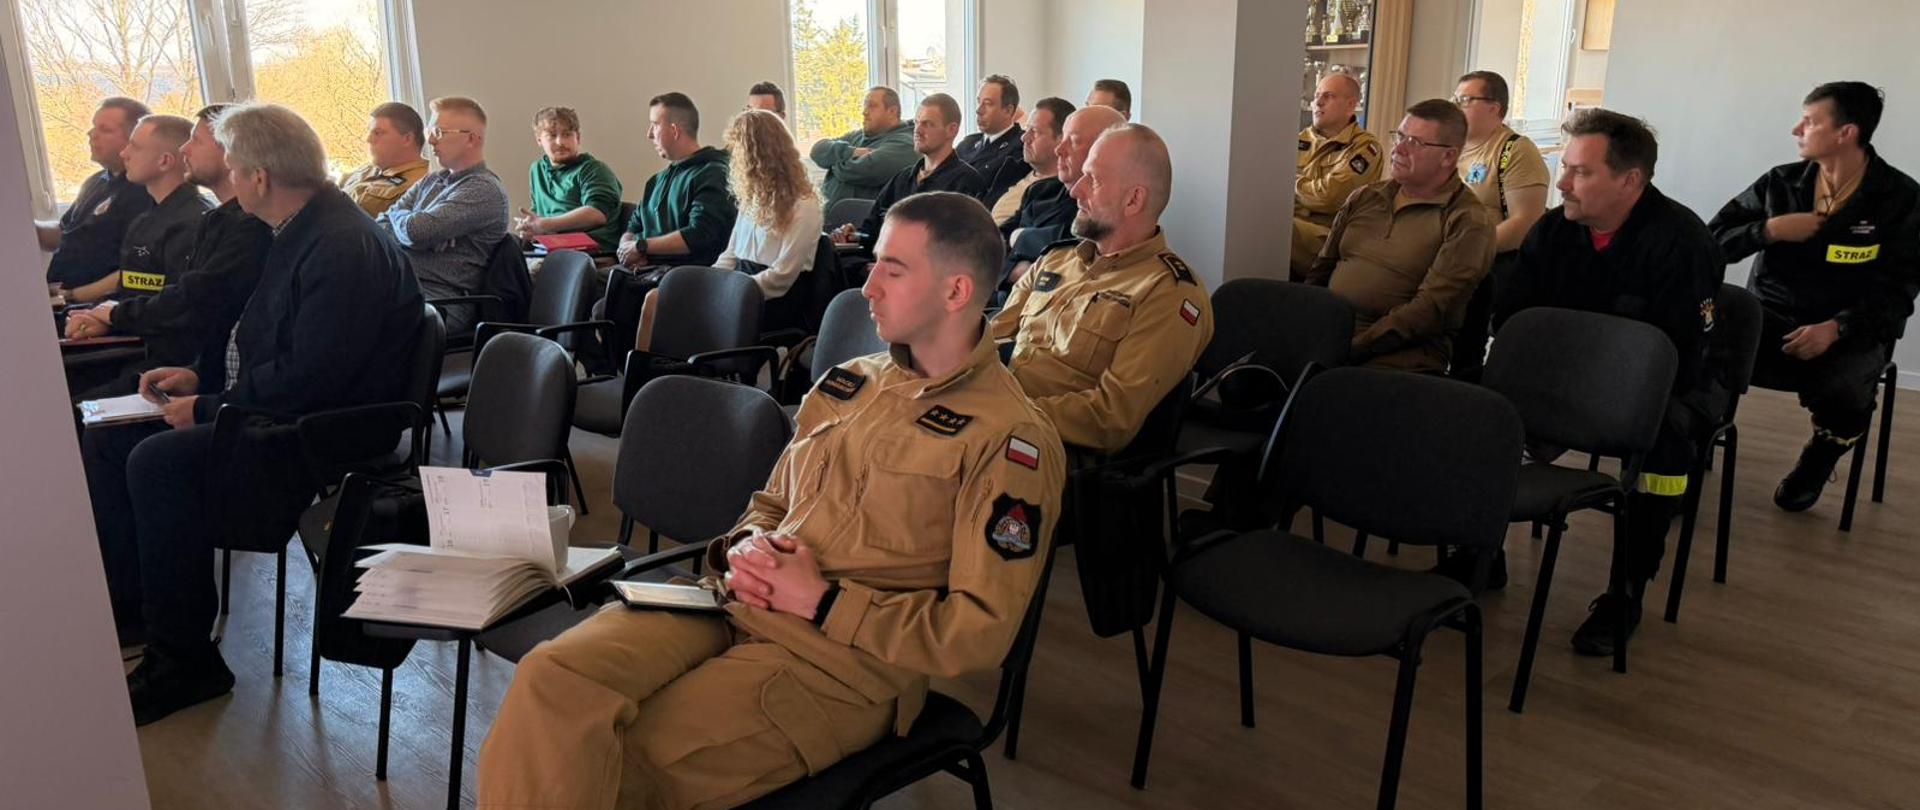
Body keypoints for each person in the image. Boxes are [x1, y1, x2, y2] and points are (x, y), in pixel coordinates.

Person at [475, 191, 1065, 810]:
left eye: (893, 270)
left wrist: (824, 601)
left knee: (626, 764)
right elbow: (773, 501)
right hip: (731, 602)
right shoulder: (852, 383)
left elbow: (977, 635)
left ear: (956, 292)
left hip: (841, 661)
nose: (867, 288)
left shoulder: (1008, 439)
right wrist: (748, 545)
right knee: (551, 680)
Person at [84, 103, 422, 725]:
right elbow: (269, 342)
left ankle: (184, 660)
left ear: (259, 177)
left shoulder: (338, 244)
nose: (230, 179)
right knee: (111, 438)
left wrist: (209, 407)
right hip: (291, 407)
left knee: (157, 462)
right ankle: (140, 612)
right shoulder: (300, 227)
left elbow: (311, 377)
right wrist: (202, 380)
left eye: (235, 168)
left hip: (324, 429)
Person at [1495, 108, 1724, 655]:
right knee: (1479, 407)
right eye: (1565, 168)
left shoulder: (1682, 242)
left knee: (1665, 447)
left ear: (1630, 180)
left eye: (1581, 172)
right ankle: (1478, 551)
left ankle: (1626, 591)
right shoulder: (1555, 230)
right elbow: (1514, 319)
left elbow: (1678, 356)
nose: (1562, 184)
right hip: (1561, 377)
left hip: (1657, 390)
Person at [1709, 81, 1920, 513]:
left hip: (1848, 330)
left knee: (1848, 388)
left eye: (1809, 121)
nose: (1796, 129)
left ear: (1846, 133)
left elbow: (1900, 291)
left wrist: (1837, 328)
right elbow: (1712, 244)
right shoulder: (1781, 183)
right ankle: (1685, 457)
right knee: (1703, 343)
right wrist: (1766, 230)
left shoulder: (1901, 198)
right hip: (1769, 318)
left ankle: (1819, 458)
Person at [992, 123, 1212, 454]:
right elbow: (991, 339)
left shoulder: (1168, 293)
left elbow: (1110, 419)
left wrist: (1001, 413)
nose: (1075, 191)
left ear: (1133, 200)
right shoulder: (1055, 260)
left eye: (1092, 179)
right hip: (995, 417)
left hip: (1050, 449)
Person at [64, 104, 272, 395]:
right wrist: (101, 316)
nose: (185, 149)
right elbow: (139, 290)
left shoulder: (233, 224)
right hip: (162, 350)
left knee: (71, 404)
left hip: (174, 358)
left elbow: (187, 304)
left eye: (196, 140)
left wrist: (112, 315)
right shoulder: (207, 220)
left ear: (230, 152)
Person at [1299, 99, 1495, 373]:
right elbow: (1321, 271)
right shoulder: (1365, 197)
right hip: (1330, 334)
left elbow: (1429, 312)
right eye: (1400, 136)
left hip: (1398, 357)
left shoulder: (1467, 220)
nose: (1398, 149)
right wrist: (1303, 325)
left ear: (1448, 157)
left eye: (1415, 142)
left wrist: (1351, 348)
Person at [638, 109, 824, 347]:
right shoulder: (752, 199)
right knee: (656, 298)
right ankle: (649, 366)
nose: (734, 159)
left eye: (739, 152)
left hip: (772, 297)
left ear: (758, 156)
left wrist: (728, 292)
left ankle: (684, 363)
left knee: (682, 312)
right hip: (741, 282)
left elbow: (781, 277)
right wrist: (709, 281)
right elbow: (731, 253)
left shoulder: (804, 205)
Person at [1448, 70, 1552, 381]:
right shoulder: (1449, 148)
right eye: (1455, 99)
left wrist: (1468, 252)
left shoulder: (1514, 151)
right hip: (1447, 250)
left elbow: (1525, 222)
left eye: (1465, 100)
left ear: (1494, 107)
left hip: (1492, 261)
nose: (1456, 107)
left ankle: (1464, 378)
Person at [376, 96, 510, 333]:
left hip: (440, 302)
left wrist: (412, 227)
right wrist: (416, 231)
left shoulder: (483, 189)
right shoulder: (432, 180)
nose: (430, 140)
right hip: (403, 288)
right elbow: (380, 227)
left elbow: (417, 231)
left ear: (471, 139)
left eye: (439, 132)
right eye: (430, 132)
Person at [62, 114, 210, 305]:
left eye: (135, 147)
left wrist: (109, 316)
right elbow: (129, 289)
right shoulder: (145, 220)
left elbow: (175, 303)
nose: (124, 154)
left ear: (164, 161)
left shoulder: (191, 223)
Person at [41, 97, 156, 294]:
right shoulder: (96, 181)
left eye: (105, 130)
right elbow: (66, 232)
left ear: (134, 139)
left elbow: (138, 271)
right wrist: (26, 227)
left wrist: (73, 296)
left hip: (96, 304)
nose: (91, 134)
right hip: (59, 297)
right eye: (94, 127)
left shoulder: (145, 190)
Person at [615, 92, 737, 270]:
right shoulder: (655, 181)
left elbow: (699, 235)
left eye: (655, 125)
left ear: (674, 130)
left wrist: (642, 247)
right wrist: (626, 250)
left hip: (682, 275)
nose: (649, 134)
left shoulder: (713, 174)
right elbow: (633, 227)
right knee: (590, 273)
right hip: (643, 270)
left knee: (591, 278)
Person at [1005, 101, 1118, 284]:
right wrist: (1013, 272)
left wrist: (1020, 237)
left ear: (1100, 151)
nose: (1059, 150)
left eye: (1073, 141)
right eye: (1063, 138)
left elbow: (1075, 245)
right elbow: (995, 245)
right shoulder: (1039, 191)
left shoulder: (1106, 206)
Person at [1289, 73, 1384, 277]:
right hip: (1292, 225)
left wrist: (1289, 183)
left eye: (1328, 96)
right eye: (1316, 95)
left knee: (1276, 227)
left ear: (1350, 105)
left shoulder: (1365, 147)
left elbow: (1329, 197)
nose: (1318, 102)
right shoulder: (1296, 139)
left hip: (1329, 238)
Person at [515, 106, 624, 251]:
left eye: (567, 135)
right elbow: (538, 214)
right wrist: (530, 227)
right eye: (552, 135)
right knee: (507, 246)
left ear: (578, 138)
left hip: (591, 251)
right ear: (539, 140)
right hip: (551, 246)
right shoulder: (537, 169)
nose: (560, 142)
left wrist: (545, 225)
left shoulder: (593, 169)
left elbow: (597, 213)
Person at [809, 86, 918, 207]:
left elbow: (860, 170)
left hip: (861, 218)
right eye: (865, 106)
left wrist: (833, 161)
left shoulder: (905, 144)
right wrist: (852, 152)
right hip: (827, 214)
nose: (865, 112)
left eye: (872, 106)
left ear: (892, 111)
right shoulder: (858, 136)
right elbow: (817, 150)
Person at [992, 97, 1074, 228]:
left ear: (1061, 139)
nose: (1024, 138)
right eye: (1026, 130)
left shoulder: (1062, 194)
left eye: (1034, 132)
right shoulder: (1012, 170)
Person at [339, 101, 430, 217]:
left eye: (378, 133)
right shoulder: (368, 168)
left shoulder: (424, 182)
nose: (369, 139)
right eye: (370, 132)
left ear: (407, 139)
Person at [957, 74, 1031, 206]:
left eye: (987, 104)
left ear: (1008, 110)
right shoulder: (966, 144)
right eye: (979, 102)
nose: (978, 110)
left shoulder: (1021, 147)